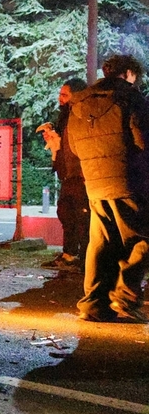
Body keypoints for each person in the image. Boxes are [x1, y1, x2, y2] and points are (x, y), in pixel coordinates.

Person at [65, 54, 149, 323]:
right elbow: (143, 140)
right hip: (129, 181)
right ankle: (125, 299)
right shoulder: (131, 98)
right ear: (127, 73)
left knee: (101, 243)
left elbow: (74, 148)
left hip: (95, 184)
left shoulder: (79, 104)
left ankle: (92, 304)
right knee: (142, 239)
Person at [36, 78, 90, 271]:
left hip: (82, 174)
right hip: (66, 174)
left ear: (77, 96)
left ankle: (85, 259)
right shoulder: (65, 116)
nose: (60, 98)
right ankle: (69, 254)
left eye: (65, 95)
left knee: (83, 218)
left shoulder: (83, 114)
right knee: (66, 214)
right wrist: (53, 137)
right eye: (60, 94)